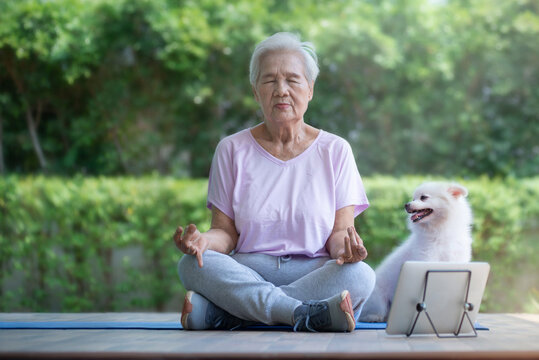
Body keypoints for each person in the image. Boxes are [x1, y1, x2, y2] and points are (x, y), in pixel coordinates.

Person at [173, 32, 375, 332]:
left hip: (314, 272)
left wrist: (346, 251)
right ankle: (302, 313)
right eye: (270, 81)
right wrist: (204, 241)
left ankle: (229, 315)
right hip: (249, 269)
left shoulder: (336, 150)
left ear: (310, 89)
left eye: (292, 80)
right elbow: (225, 234)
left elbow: (339, 234)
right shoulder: (231, 149)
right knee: (191, 265)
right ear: (256, 91)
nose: (281, 90)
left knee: (361, 276)